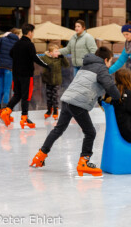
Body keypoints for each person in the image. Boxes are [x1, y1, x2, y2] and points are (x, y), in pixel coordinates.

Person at [30, 47, 120, 177]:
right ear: (106, 60)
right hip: (78, 103)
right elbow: (110, 86)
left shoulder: (85, 66)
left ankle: (39, 156)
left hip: (67, 99)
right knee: (90, 132)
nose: (110, 64)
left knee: (58, 129)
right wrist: (118, 97)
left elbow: (91, 85)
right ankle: (84, 161)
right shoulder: (102, 68)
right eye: (110, 61)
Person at [0, 23, 50, 128]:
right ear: (30, 32)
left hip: (16, 73)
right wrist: (46, 65)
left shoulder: (17, 44)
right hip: (26, 74)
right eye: (33, 32)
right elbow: (35, 58)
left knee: (17, 94)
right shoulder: (29, 45)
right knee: (25, 96)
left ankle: (6, 111)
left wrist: (19, 59)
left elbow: (11, 54)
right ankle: (24, 118)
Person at [0, 28, 20, 121]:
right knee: (7, 90)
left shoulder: (4, 39)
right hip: (8, 67)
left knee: (1, 89)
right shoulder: (17, 42)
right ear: (17, 34)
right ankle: (5, 111)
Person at [40, 44, 70, 120]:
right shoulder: (45, 58)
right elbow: (41, 61)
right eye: (56, 51)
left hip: (56, 80)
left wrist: (63, 57)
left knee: (55, 96)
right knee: (49, 96)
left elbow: (67, 65)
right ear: (50, 53)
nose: (58, 53)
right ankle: (49, 110)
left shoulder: (60, 59)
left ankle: (55, 110)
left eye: (58, 51)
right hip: (48, 80)